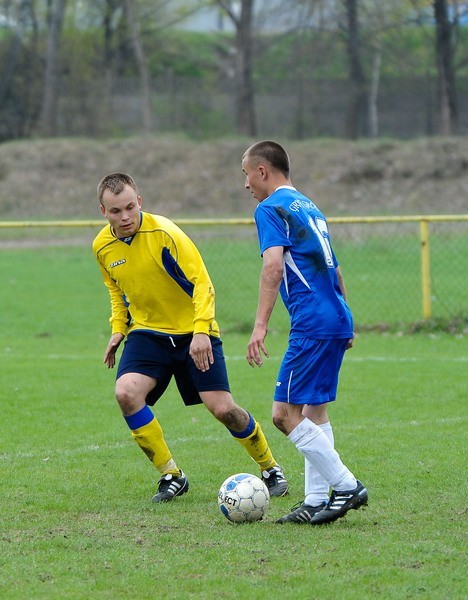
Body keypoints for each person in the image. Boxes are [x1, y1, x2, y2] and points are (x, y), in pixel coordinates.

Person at [92, 172, 288, 503]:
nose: (125, 217)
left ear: (139, 202)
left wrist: (200, 332)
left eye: (129, 207)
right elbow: (116, 291)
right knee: (126, 394)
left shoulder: (165, 233)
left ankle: (270, 468)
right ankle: (172, 476)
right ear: (103, 212)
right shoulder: (102, 247)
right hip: (148, 333)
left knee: (223, 409)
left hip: (195, 331)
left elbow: (202, 284)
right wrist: (118, 329)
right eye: (115, 211)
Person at [241, 141, 368, 525]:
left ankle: (346, 485)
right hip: (335, 316)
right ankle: (314, 500)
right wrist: (347, 315)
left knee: (283, 414)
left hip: (312, 322)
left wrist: (260, 325)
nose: (245, 183)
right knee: (314, 410)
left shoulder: (270, 208)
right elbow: (336, 269)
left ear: (263, 171)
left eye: (246, 173)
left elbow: (273, 266)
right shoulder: (309, 206)